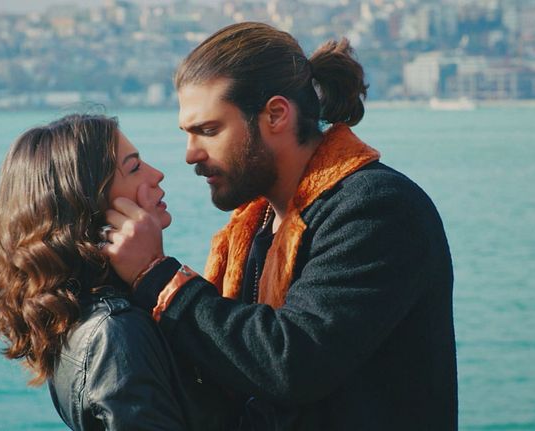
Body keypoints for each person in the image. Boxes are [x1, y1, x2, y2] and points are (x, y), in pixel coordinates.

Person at [102, 22, 457, 430]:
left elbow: (294, 363)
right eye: (188, 134)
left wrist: (158, 277)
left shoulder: (378, 208)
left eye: (209, 131)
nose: (191, 154)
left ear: (276, 114)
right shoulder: (258, 223)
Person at [0, 114, 232, 431]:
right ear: (90, 202)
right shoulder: (116, 331)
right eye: (134, 168)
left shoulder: (72, 312)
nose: (157, 174)